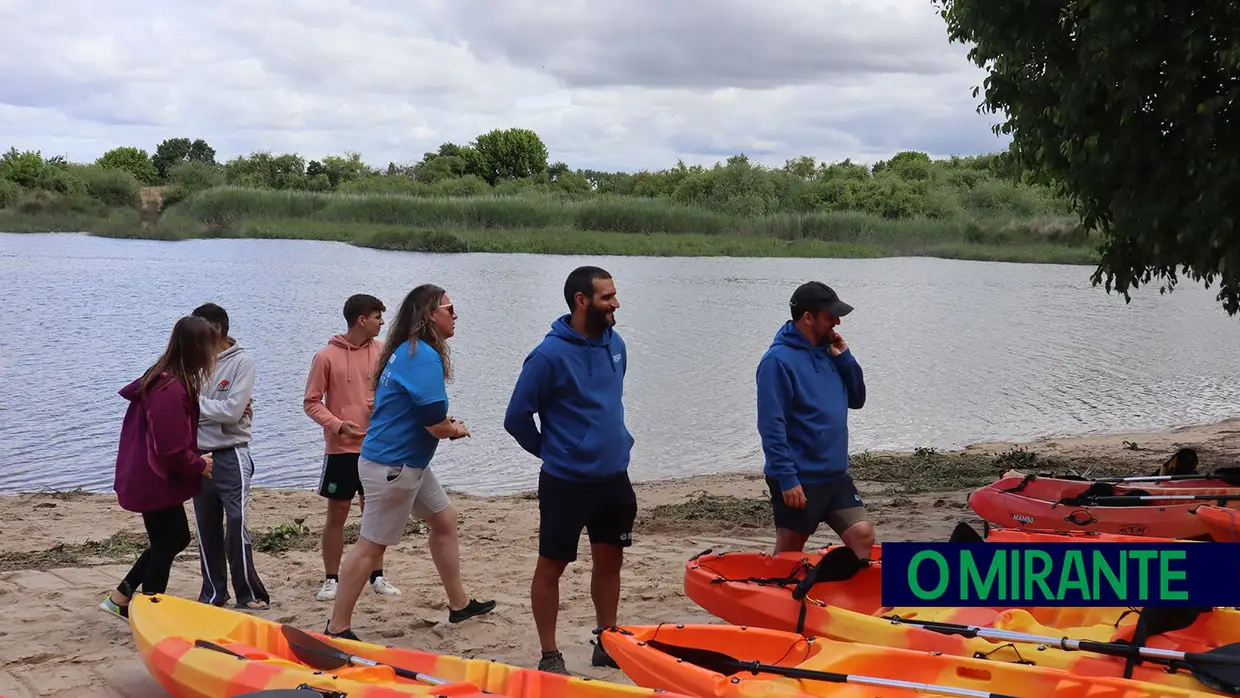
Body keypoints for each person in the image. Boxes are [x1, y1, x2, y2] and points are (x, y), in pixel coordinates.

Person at [324, 283, 495, 640]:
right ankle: (337, 626)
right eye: (450, 308)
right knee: (371, 545)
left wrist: (445, 426)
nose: (455, 314)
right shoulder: (422, 357)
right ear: (431, 315)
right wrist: (455, 429)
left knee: (445, 520)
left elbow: (423, 416)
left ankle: (459, 605)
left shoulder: (407, 349)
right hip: (393, 467)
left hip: (406, 464)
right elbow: (434, 424)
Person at [503, 265, 635, 675]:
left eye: (614, 294)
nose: (616, 303)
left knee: (610, 561)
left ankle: (606, 640)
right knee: (552, 564)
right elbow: (516, 418)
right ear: (582, 301)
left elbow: (607, 404)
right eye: (607, 297)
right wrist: (553, 452)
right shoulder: (548, 355)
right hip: (566, 482)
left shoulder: (617, 346)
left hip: (614, 477)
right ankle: (550, 653)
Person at [99, 315, 218, 620]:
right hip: (153, 477)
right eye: (210, 347)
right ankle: (149, 609)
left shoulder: (170, 378)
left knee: (171, 538)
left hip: (150, 475)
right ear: (197, 348)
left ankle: (122, 597)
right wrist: (199, 465)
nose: (214, 355)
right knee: (170, 539)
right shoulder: (170, 389)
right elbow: (170, 450)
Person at [756, 281, 871, 560]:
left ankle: (847, 601)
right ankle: (772, 598)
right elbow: (771, 427)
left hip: (835, 474)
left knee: (862, 535)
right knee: (789, 552)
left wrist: (845, 358)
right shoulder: (776, 362)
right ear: (808, 317)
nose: (837, 321)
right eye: (830, 316)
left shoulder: (831, 352)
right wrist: (787, 479)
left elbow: (857, 399)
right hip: (801, 478)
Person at [304, 293, 402, 601]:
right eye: (377, 317)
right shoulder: (325, 356)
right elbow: (311, 402)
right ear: (361, 320)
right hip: (341, 450)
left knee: (375, 513)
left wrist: (383, 405)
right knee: (338, 513)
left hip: (378, 447)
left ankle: (377, 576)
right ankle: (331, 578)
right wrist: (336, 424)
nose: (382, 322)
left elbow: (397, 393)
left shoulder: (385, 352)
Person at [188, 302, 270, 610]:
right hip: (198, 455)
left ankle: (247, 592)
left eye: (200, 330)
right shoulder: (192, 361)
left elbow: (234, 411)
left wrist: (197, 405)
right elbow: (178, 405)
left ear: (217, 330)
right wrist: (211, 409)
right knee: (206, 525)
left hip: (232, 453)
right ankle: (213, 593)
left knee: (236, 522)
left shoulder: (242, 362)